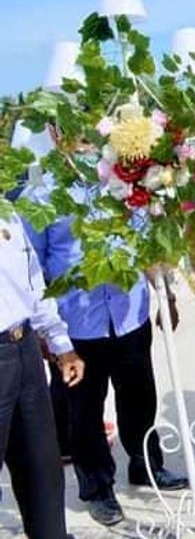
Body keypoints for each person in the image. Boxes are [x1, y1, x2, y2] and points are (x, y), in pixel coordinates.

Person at [26, 184, 189, 527]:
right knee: (84, 412)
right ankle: (98, 488)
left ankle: (146, 464)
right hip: (76, 327)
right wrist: (43, 330)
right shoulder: (43, 197)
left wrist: (168, 297)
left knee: (140, 397)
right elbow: (33, 267)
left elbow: (149, 248)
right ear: (57, 134)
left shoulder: (124, 183)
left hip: (129, 315)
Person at [1, 212, 85, 539]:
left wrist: (60, 343)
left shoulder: (7, 211)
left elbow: (32, 281)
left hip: (24, 349)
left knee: (42, 470)